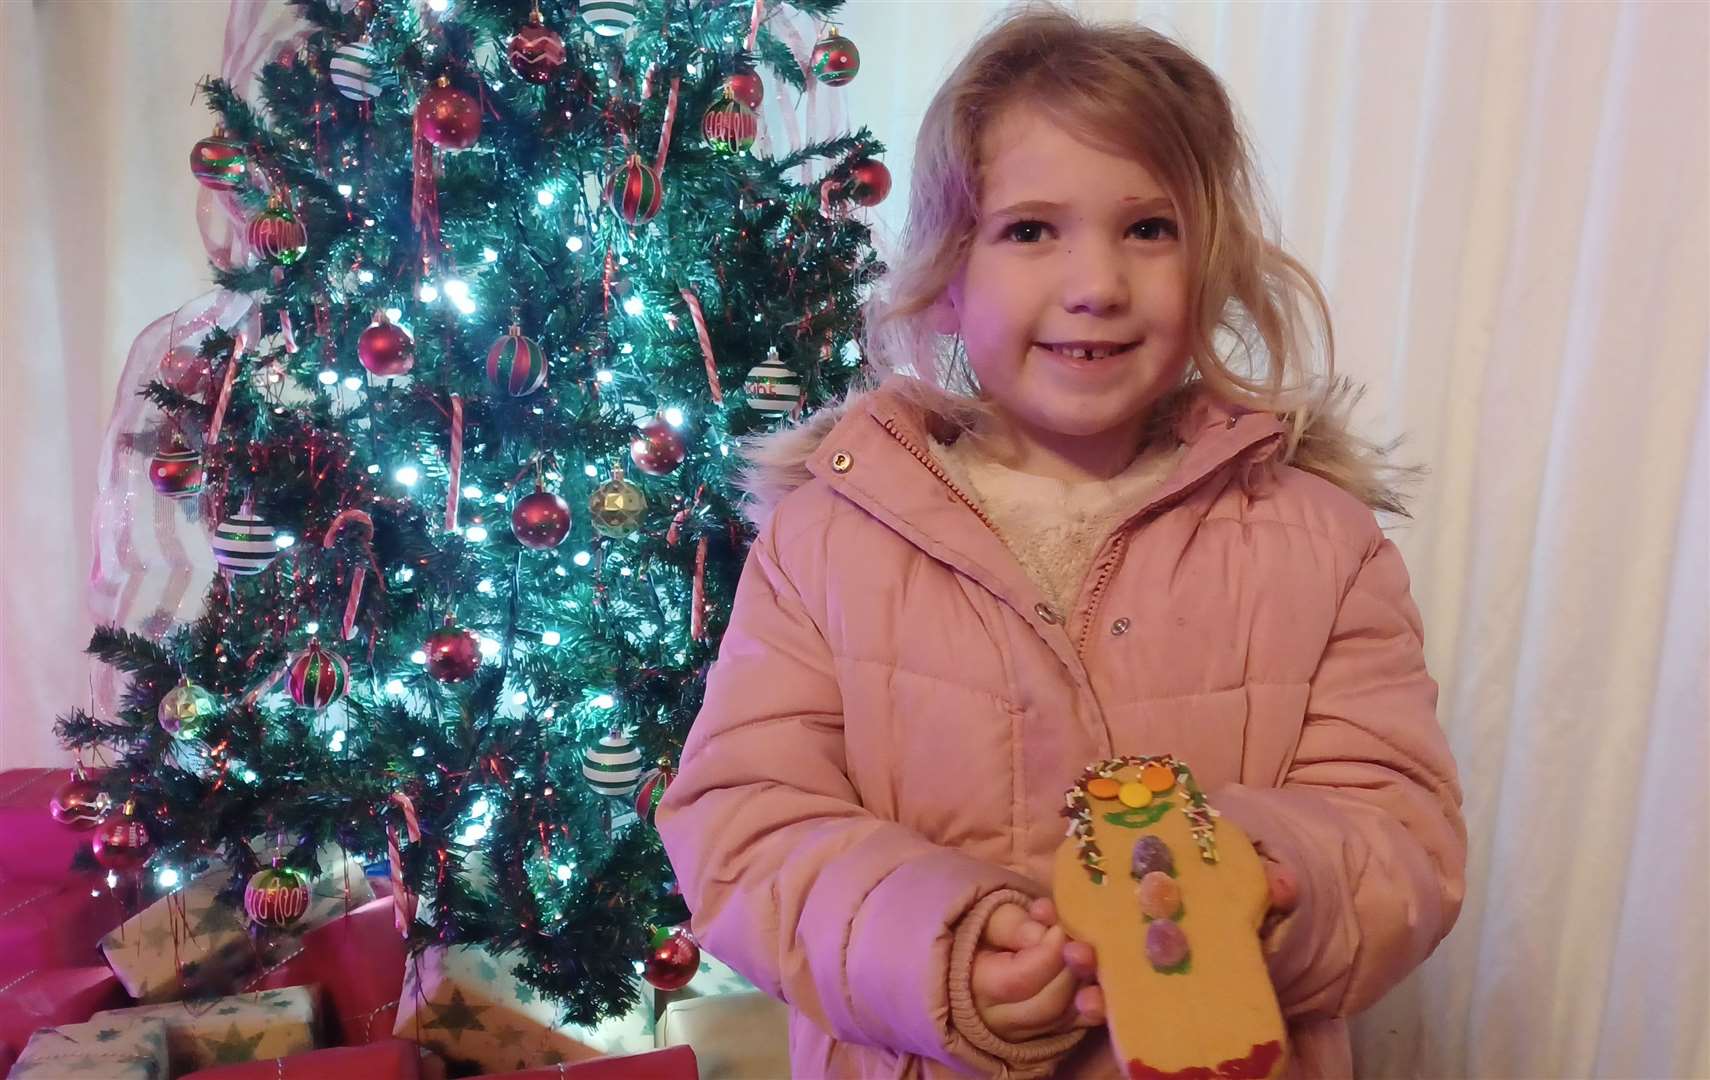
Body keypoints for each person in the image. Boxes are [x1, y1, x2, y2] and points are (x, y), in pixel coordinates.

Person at [656, 7, 1466, 1077]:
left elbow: (1400, 831)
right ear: (949, 275)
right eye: (1031, 230)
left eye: (1149, 228)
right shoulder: (830, 537)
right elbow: (744, 821)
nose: (1097, 283)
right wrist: (931, 950)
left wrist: (1265, 890)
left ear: (1211, 263)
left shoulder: (1320, 540)